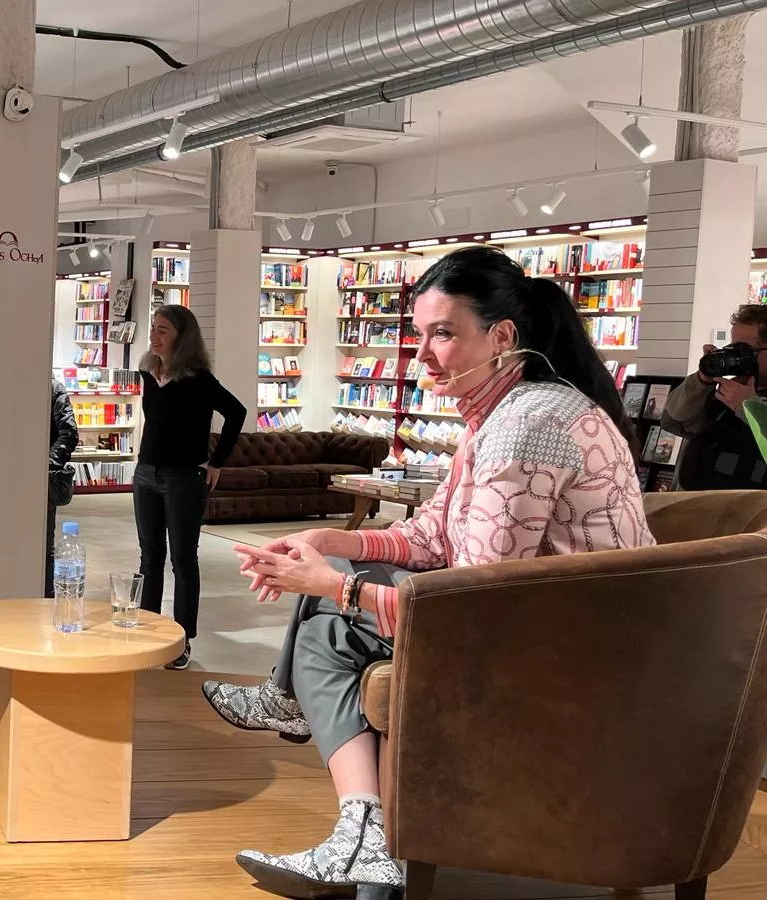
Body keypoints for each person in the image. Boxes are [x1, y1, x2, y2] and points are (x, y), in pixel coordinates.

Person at [208, 247, 652, 899]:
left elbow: (470, 604)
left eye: (443, 333)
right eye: (420, 335)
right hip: (559, 625)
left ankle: (344, 806)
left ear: (502, 337)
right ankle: (346, 809)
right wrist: (331, 539)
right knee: (339, 576)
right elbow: (433, 532)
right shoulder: (517, 410)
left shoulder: (524, 428)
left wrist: (335, 585)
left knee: (328, 629)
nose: (422, 356)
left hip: (565, 652)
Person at [134, 305, 246, 670]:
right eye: (154, 328)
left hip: (184, 479)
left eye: (163, 329)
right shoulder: (149, 373)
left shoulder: (199, 380)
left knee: (183, 559)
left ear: (182, 337)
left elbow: (237, 413)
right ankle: (148, 631)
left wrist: (216, 462)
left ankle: (182, 640)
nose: (154, 335)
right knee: (149, 557)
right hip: (146, 475)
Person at [660, 304, 767, 490]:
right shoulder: (728, 391)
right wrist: (702, 381)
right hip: (695, 508)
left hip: (750, 514)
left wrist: (749, 407)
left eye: (745, 350)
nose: (737, 356)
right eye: (733, 347)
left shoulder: (744, 398)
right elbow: (673, 421)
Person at [45, 377, 78, 598]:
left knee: (44, 545)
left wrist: (45, 465)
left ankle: (45, 598)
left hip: (41, 484)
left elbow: (69, 434)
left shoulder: (53, 389)